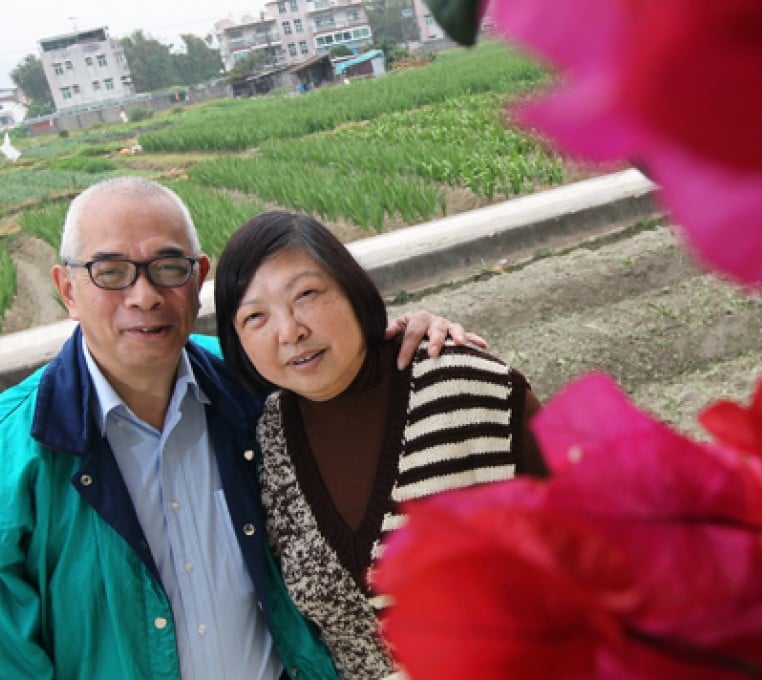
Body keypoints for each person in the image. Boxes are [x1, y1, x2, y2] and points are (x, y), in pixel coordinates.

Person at [0, 176, 479, 679]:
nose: (144, 296)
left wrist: (412, 343)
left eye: (169, 268)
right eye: (111, 272)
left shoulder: (253, 383)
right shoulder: (15, 454)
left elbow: (344, 377)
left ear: (198, 279)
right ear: (66, 289)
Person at [214, 211, 548, 679]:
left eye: (306, 294)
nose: (289, 331)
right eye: (256, 317)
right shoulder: (268, 440)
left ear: (351, 288)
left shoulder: (463, 385)